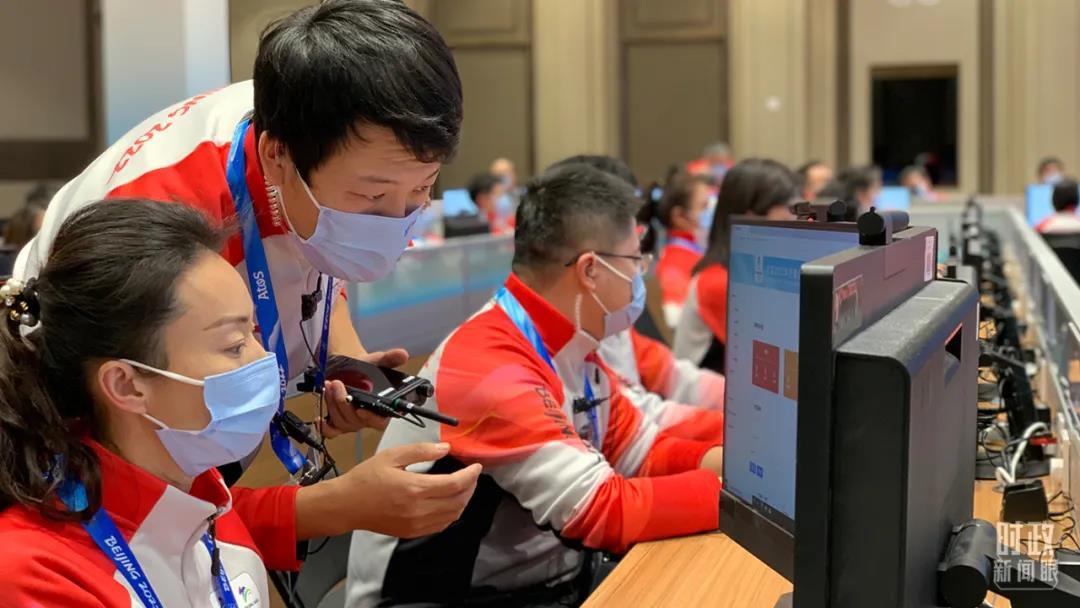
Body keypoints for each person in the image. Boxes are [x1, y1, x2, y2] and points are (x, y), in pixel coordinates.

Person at [12, 0, 476, 536]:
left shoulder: (314, 120)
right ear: (277, 157)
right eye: (371, 198)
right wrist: (327, 509)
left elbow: (318, 255)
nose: (397, 220)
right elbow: (131, 507)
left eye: (422, 188)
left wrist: (342, 360)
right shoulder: (163, 231)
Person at [0, 200, 480, 605]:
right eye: (233, 346)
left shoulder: (205, 500)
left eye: (254, 331)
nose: (264, 361)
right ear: (126, 385)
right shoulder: (36, 576)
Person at [347, 164, 724, 607]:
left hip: (542, 585)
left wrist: (744, 470)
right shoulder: (490, 363)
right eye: (635, 261)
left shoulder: (569, 340)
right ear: (591, 270)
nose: (640, 275)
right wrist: (746, 499)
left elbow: (642, 450)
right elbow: (602, 510)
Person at [546, 154, 726, 417]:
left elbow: (666, 375)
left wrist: (738, 403)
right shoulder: (553, 340)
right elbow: (635, 422)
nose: (638, 265)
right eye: (631, 250)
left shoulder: (609, 322)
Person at [674, 159, 799, 372]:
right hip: (712, 390)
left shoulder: (757, 271)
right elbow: (775, 351)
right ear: (751, 217)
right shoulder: (717, 282)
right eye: (787, 214)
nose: (794, 222)